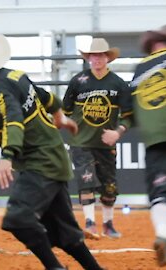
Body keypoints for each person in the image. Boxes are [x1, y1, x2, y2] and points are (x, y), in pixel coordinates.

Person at [0, 25, 105, 270]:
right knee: (65, 231)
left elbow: (13, 118)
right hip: (53, 159)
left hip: (40, 163)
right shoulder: (15, 76)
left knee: (18, 219)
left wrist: (7, 156)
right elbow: (45, 96)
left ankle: (54, 268)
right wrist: (60, 116)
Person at [103, 25, 166, 267]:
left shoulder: (139, 70)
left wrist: (118, 132)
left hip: (154, 136)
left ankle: (163, 235)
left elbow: (129, 113)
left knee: (161, 191)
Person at [62, 38, 133, 240]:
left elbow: (129, 116)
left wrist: (117, 132)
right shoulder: (78, 81)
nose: (97, 59)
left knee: (109, 187)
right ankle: (90, 224)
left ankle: (108, 224)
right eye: (93, 55)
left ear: (107, 58)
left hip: (105, 144)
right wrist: (69, 125)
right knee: (86, 183)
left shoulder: (118, 84)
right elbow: (65, 111)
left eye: (101, 55)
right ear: (88, 58)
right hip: (80, 143)